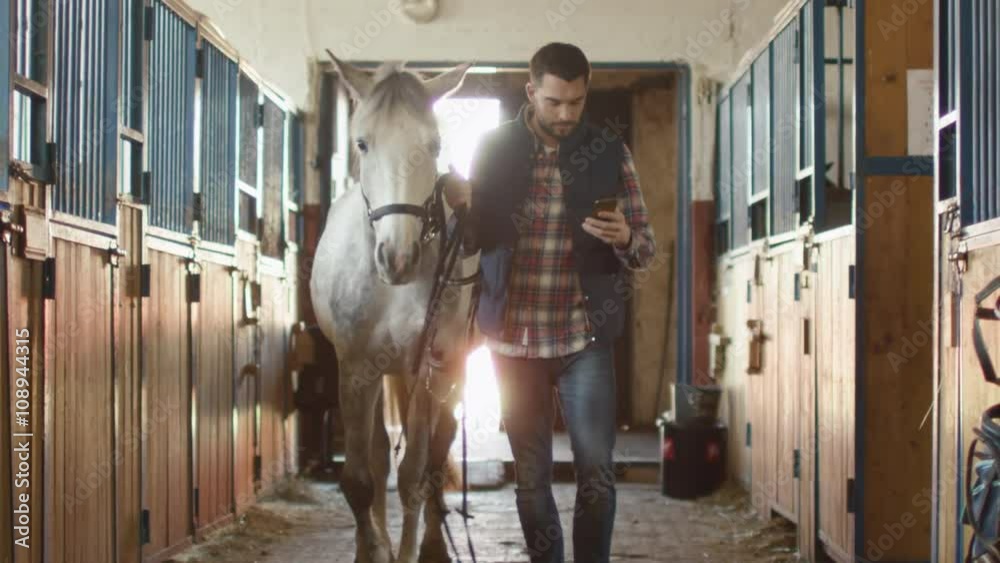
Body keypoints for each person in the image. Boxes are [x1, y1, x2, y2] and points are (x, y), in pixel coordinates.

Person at [442, 42, 656, 563]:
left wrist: (626, 236)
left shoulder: (608, 151)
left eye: (577, 103)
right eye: (555, 102)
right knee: (531, 480)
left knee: (598, 475)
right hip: (512, 342)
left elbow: (646, 250)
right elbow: (470, 243)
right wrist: (457, 205)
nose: (565, 115)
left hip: (585, 338)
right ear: (531, 91)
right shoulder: (493, 149)